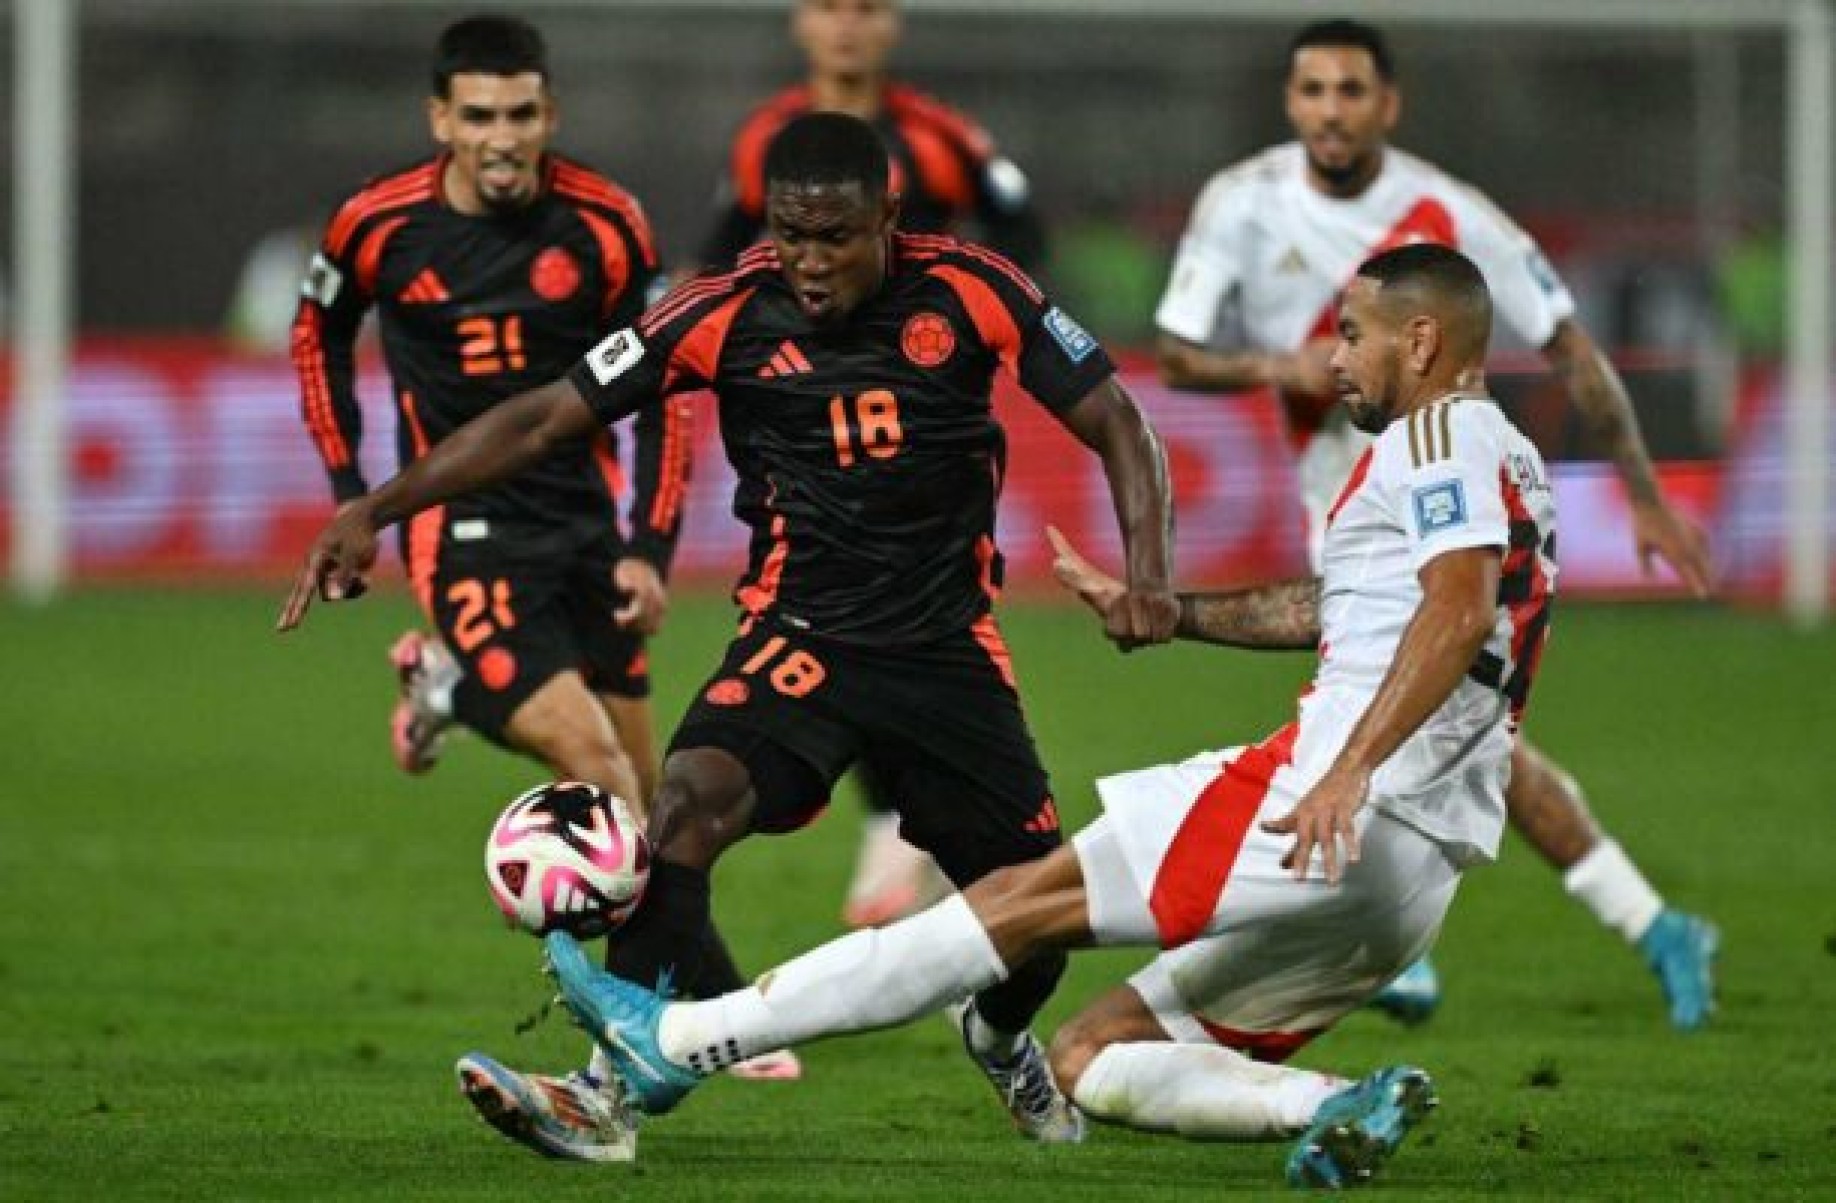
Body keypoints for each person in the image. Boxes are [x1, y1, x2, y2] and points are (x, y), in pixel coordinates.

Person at [540, 243, 1547, 1191]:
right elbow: (1352, 610)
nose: (1335, 359)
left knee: (1012, 907)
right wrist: (1170, 611)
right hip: (1420, 876)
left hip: (1323, 805)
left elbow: (1456, 611)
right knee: (1091, 1055)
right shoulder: (1509, 458)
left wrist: (1346, 771)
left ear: (1421, 342)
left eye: (1356, 333)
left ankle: (676, 1042)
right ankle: (1339, 1106)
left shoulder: (1436, 433)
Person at [278, 111, 1178, 1159]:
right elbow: (543, 418)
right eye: (791, 235)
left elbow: (1120, 422)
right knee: (685, 807)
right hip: (800, 642)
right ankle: (604, 1092)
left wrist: (1150, 580)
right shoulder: (724, 308)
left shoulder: (976, 287)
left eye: (834, 237)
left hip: (945, 656)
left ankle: (996, 1033)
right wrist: (374, 509)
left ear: (888, 216)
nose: (807, 261)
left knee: (1034, 923)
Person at [288, 16, 797, 1160]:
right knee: (603, 776)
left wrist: (646, 551)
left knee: (658, 792)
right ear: (440, 121)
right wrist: (352, 491)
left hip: (581, 526)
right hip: (462, 531)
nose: (502, 138)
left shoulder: (607, 224)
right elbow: (316, 334)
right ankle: (676, 1025)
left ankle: (446, 688)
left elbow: (669, 387)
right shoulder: (377, 224)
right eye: (478, 116)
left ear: (549, 114)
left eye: (521, 114)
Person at [1152, 18, 1718, 1030]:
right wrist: (1274, 368)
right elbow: (1179, 353)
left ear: (1387, 103)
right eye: (1313, 90)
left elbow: (1570, 348)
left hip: (1430, 505)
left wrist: (1640, 488)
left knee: (1443, 718)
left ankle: (1376, 932)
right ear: (1292, 102)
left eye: (1351, 91)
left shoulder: (1449, 215)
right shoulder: (1239, 202)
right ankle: (1647, 923)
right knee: (1474, 735)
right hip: (1341, 501)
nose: (1331, 110)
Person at [701, 0, 1049, 928]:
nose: (847, 28)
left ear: (890, 26)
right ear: (799, 25)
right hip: (802, 411)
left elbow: (1020, 237)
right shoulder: (765, 142)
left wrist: (976, 339)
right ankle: (893, 821)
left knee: (918, 597)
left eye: (865, 9)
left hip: (925, 421)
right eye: (829, 9)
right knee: (831, 600)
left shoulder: (939, 137)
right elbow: (714, 266)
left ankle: (912, 821)